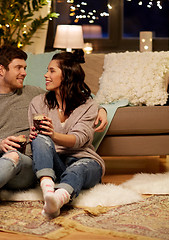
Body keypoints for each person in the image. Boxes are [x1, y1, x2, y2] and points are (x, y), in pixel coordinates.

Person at [0, 45, 107, 228]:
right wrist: (0, 144)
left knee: (11, 157)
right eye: (19, 68)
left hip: (22, 163)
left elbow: (73, 94)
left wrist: (101, 109)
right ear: (1, 70)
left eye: (25, 68)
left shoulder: (32, 93)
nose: (24, 73)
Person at [28, 51, 105, 218]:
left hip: (84, 160)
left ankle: (57, 199)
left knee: (78, 169)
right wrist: (35, 136)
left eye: (52, 71)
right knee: (40, 138)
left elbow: (79, 140)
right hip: (56, 163)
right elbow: (38, 141)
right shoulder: (38, 103)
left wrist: (53, 134)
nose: (46, 75)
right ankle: (49, 192)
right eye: (47, 70)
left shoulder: (88, 105)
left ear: (67, 74)